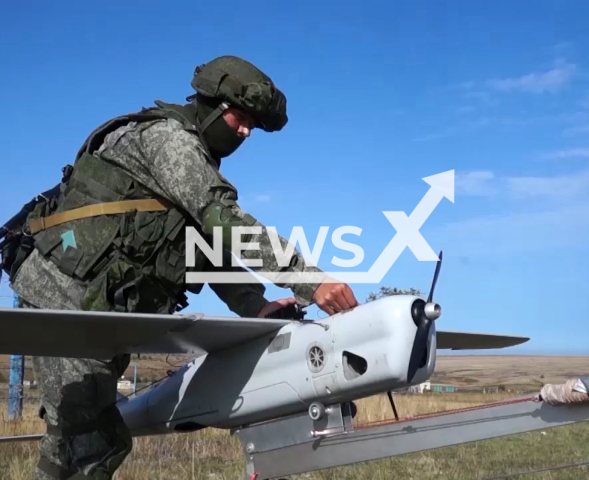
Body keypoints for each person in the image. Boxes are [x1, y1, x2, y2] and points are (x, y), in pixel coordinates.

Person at [1, 55, 358, 479]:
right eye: (240, 119)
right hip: (61, 298)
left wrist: (254, 306)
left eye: (252, 127)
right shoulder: (170, 141)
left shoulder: (191, 162)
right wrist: (309, 281)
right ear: (211, 106)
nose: (245, 132)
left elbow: (204, 251)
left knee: (78, 437)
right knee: (91, 443)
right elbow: (223, 221)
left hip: (99, 314)